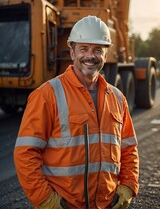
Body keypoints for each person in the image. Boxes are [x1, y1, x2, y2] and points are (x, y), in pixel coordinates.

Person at [14, 16, 139, 209]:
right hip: (64, 205)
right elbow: (25, 154)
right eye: (84, 49)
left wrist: (128, 186)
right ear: (72, 53)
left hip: (107, 204)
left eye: (98, 49)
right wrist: (45, 200)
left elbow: (129, 148)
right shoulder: (47, 95)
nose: (91, 56)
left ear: (106, 55)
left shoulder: (117, 98)